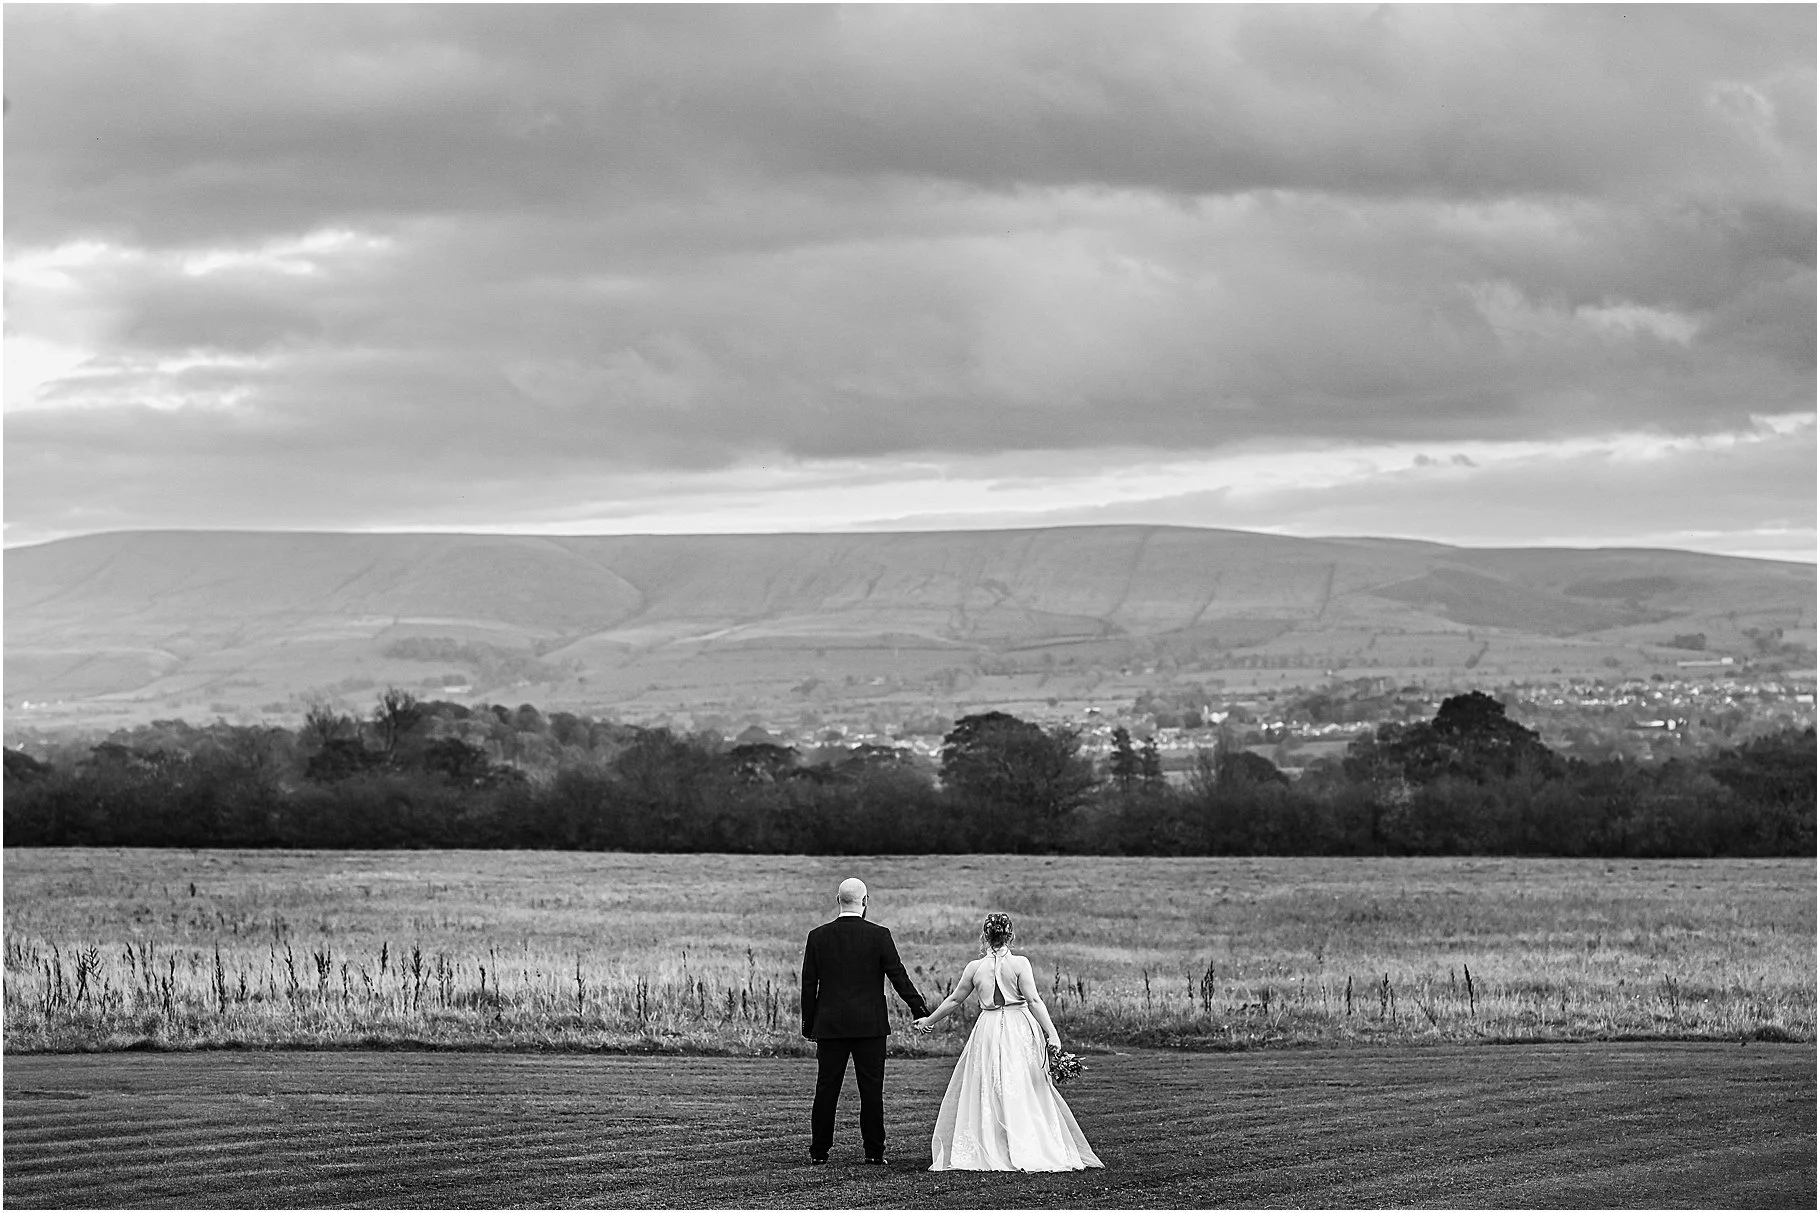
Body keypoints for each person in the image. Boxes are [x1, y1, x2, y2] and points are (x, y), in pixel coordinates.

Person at [913, 912, 1102, 1172]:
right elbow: (1033, 1001)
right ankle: (1025, 1143)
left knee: (989, 1083)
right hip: (1019, 1027)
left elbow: (954, 1000)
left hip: (988, 1028)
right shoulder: (1020, 964)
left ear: (985, 936)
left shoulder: (974, 968)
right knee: (1022, 1083)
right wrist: (1053, 1033)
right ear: (1010, 935)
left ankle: (993, 1143)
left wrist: (929, 1020)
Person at [801, 877, 930, 1166]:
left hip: (830, 1025)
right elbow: (898, 976)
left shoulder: (817, 936)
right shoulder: (879, 935)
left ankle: (819, 1150)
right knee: (871, 1090)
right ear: (865, 901)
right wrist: (919, 1009)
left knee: (826, 1088)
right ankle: (873, 1150)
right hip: (870, 1025)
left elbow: (809, 985)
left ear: (838, 900)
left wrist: (809, 1025)